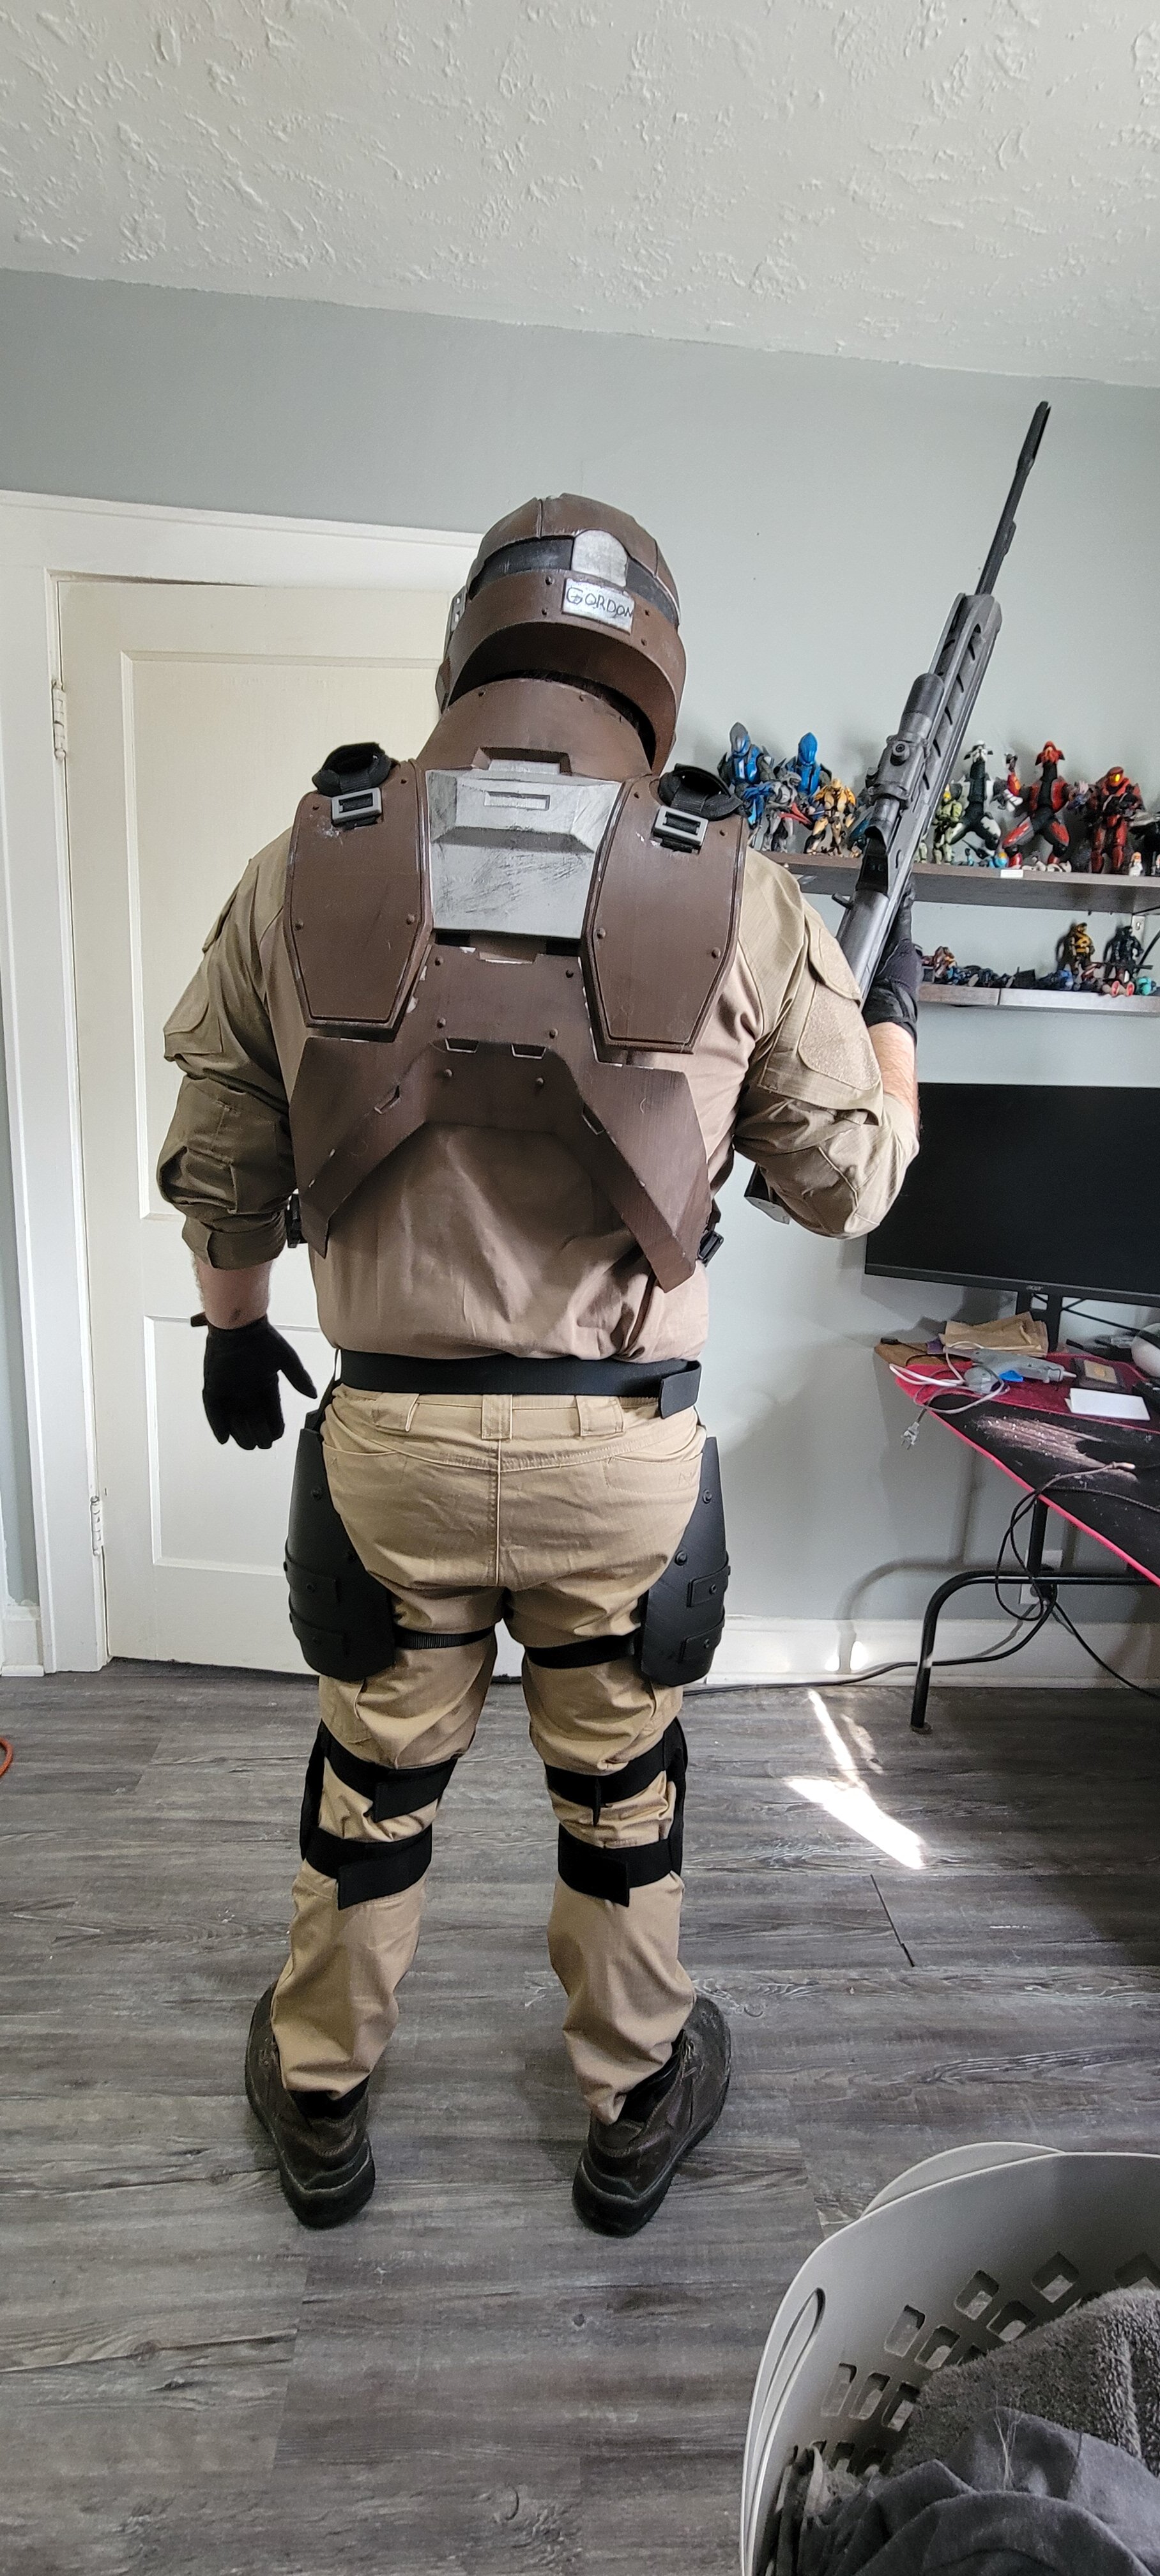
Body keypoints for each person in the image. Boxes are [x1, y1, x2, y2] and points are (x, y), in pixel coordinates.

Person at [158, 496, 919, 2236]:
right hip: (619, 1460)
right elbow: (847, 1183)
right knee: (619, 1788)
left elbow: (225, 1165)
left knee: (373, 1781)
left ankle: (324, 2096)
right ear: (652, 671)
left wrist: (233, 1329)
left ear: (471, 646)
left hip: (395, 1444)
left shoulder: (310, 863)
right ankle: (632, 2100)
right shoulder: (740, 891)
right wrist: (895, 1035)